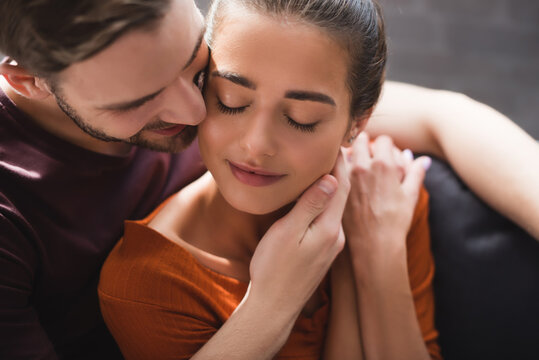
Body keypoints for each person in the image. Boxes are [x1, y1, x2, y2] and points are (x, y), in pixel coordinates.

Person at [0, 0, 537, 358]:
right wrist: (278, 298)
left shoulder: (349, 165)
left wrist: (369, 250)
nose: (193, 112)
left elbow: (441, 115)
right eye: (229, 100)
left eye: (199, 72)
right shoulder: (29, 230)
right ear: (28, 82)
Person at [97, 0, 437, 359]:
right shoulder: (151, 285)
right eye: (232, 101)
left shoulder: (382, 200)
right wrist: (349, 269)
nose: (255, 146)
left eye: (301, 118)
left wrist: (378, 252)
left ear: (357, 124)